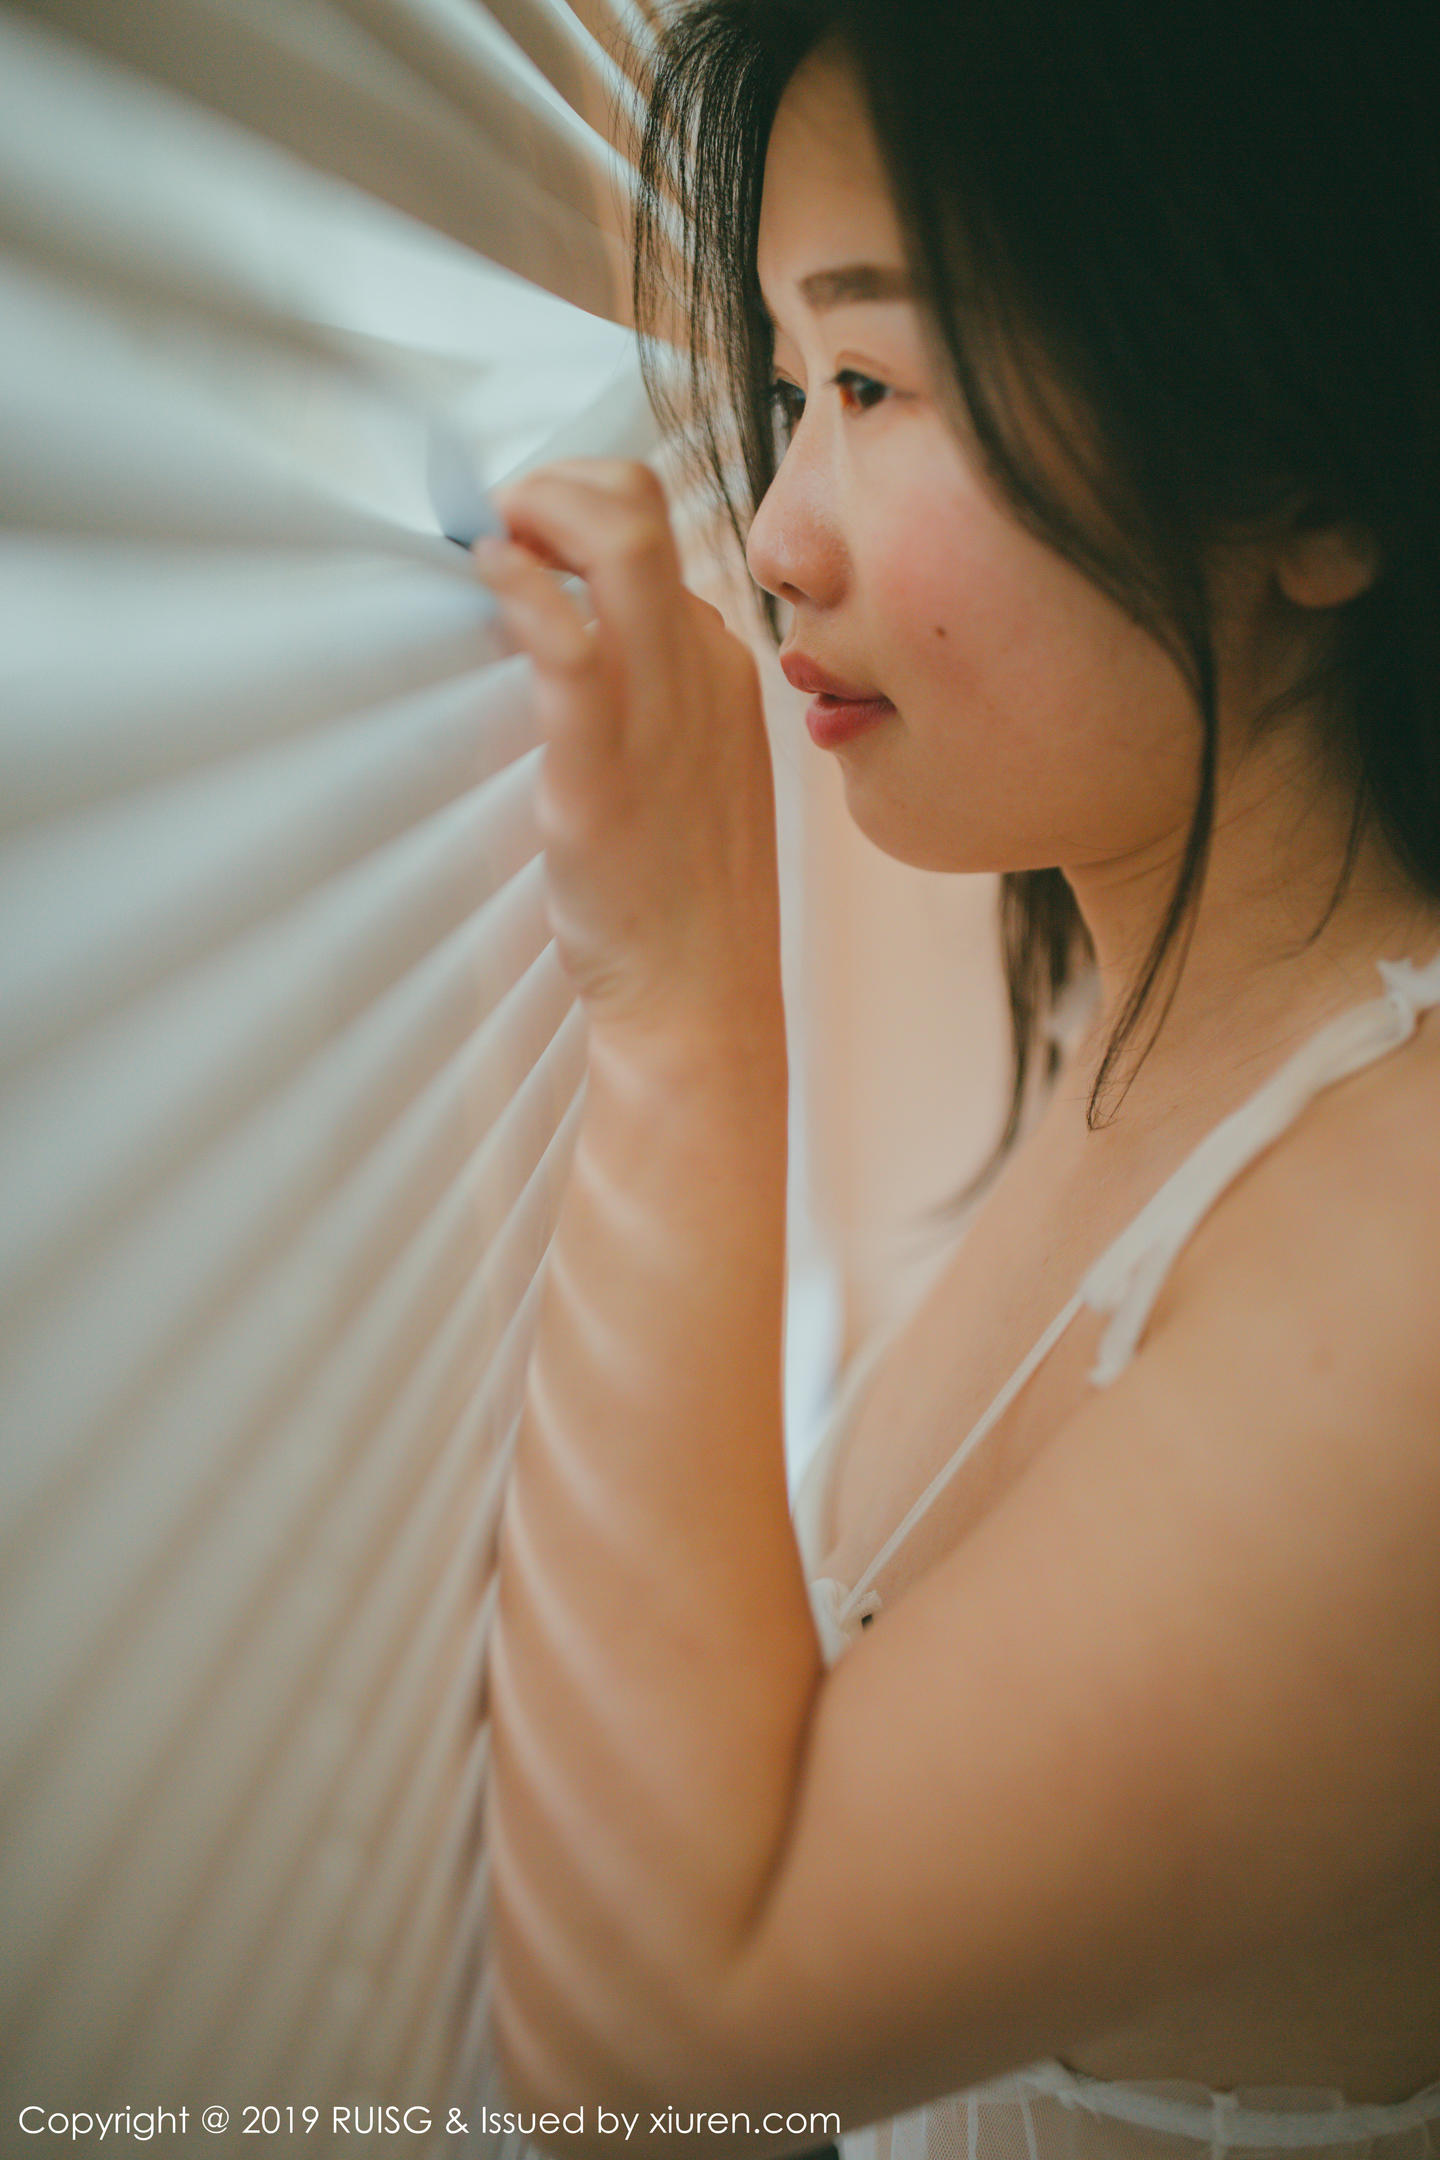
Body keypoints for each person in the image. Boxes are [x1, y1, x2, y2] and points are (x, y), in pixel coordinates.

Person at [472, 3, 1440, 2153]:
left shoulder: (1406, 1264)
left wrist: (685, 1009)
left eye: (878, 384)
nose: (773, 536)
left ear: (1312, 478)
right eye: (786, 390)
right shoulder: (1163, 1041)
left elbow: (648, 2064)